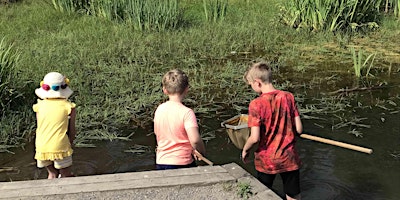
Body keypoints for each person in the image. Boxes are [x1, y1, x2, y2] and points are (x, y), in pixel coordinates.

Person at [241, 62, 303, 200]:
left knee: (263, 194)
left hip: (266, 160)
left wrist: (246, 149)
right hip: (289, 158)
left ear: (257, 83)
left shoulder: (256, 104)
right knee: (293, 195)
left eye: (251, 84)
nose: (252, 87)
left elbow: (255, 138)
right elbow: (299, 129)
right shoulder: (288, 97)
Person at [154, 69, 206, 170]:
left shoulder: (159, 109)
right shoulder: (187, 113)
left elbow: (158, 133)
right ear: (187, 89)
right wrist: (201, 152)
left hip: (161, 161)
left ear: (165, 90)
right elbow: (195, 140)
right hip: (183, 162)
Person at [33, 72, 76, 179]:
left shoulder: (39, 106)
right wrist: (70, 143)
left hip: (41, 146)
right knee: (66, 175)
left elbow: (40, 127)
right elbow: (72, 130)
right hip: (60, 146)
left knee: (52, 174)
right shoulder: (69, 107)